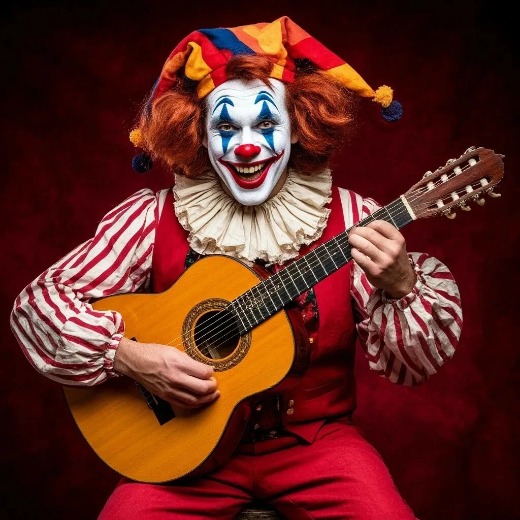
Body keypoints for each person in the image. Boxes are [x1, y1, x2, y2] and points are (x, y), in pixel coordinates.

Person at [10, 16, 462, 520]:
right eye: (226, 127)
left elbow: (414, 369)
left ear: (300, 127)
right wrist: (127, 356)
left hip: (316, 446)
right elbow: (37, 306)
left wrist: (401, 285)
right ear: (198, 134)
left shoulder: (356, 219)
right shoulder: (151, 219)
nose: (247, 147)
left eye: (266, 125)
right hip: (182, 452)